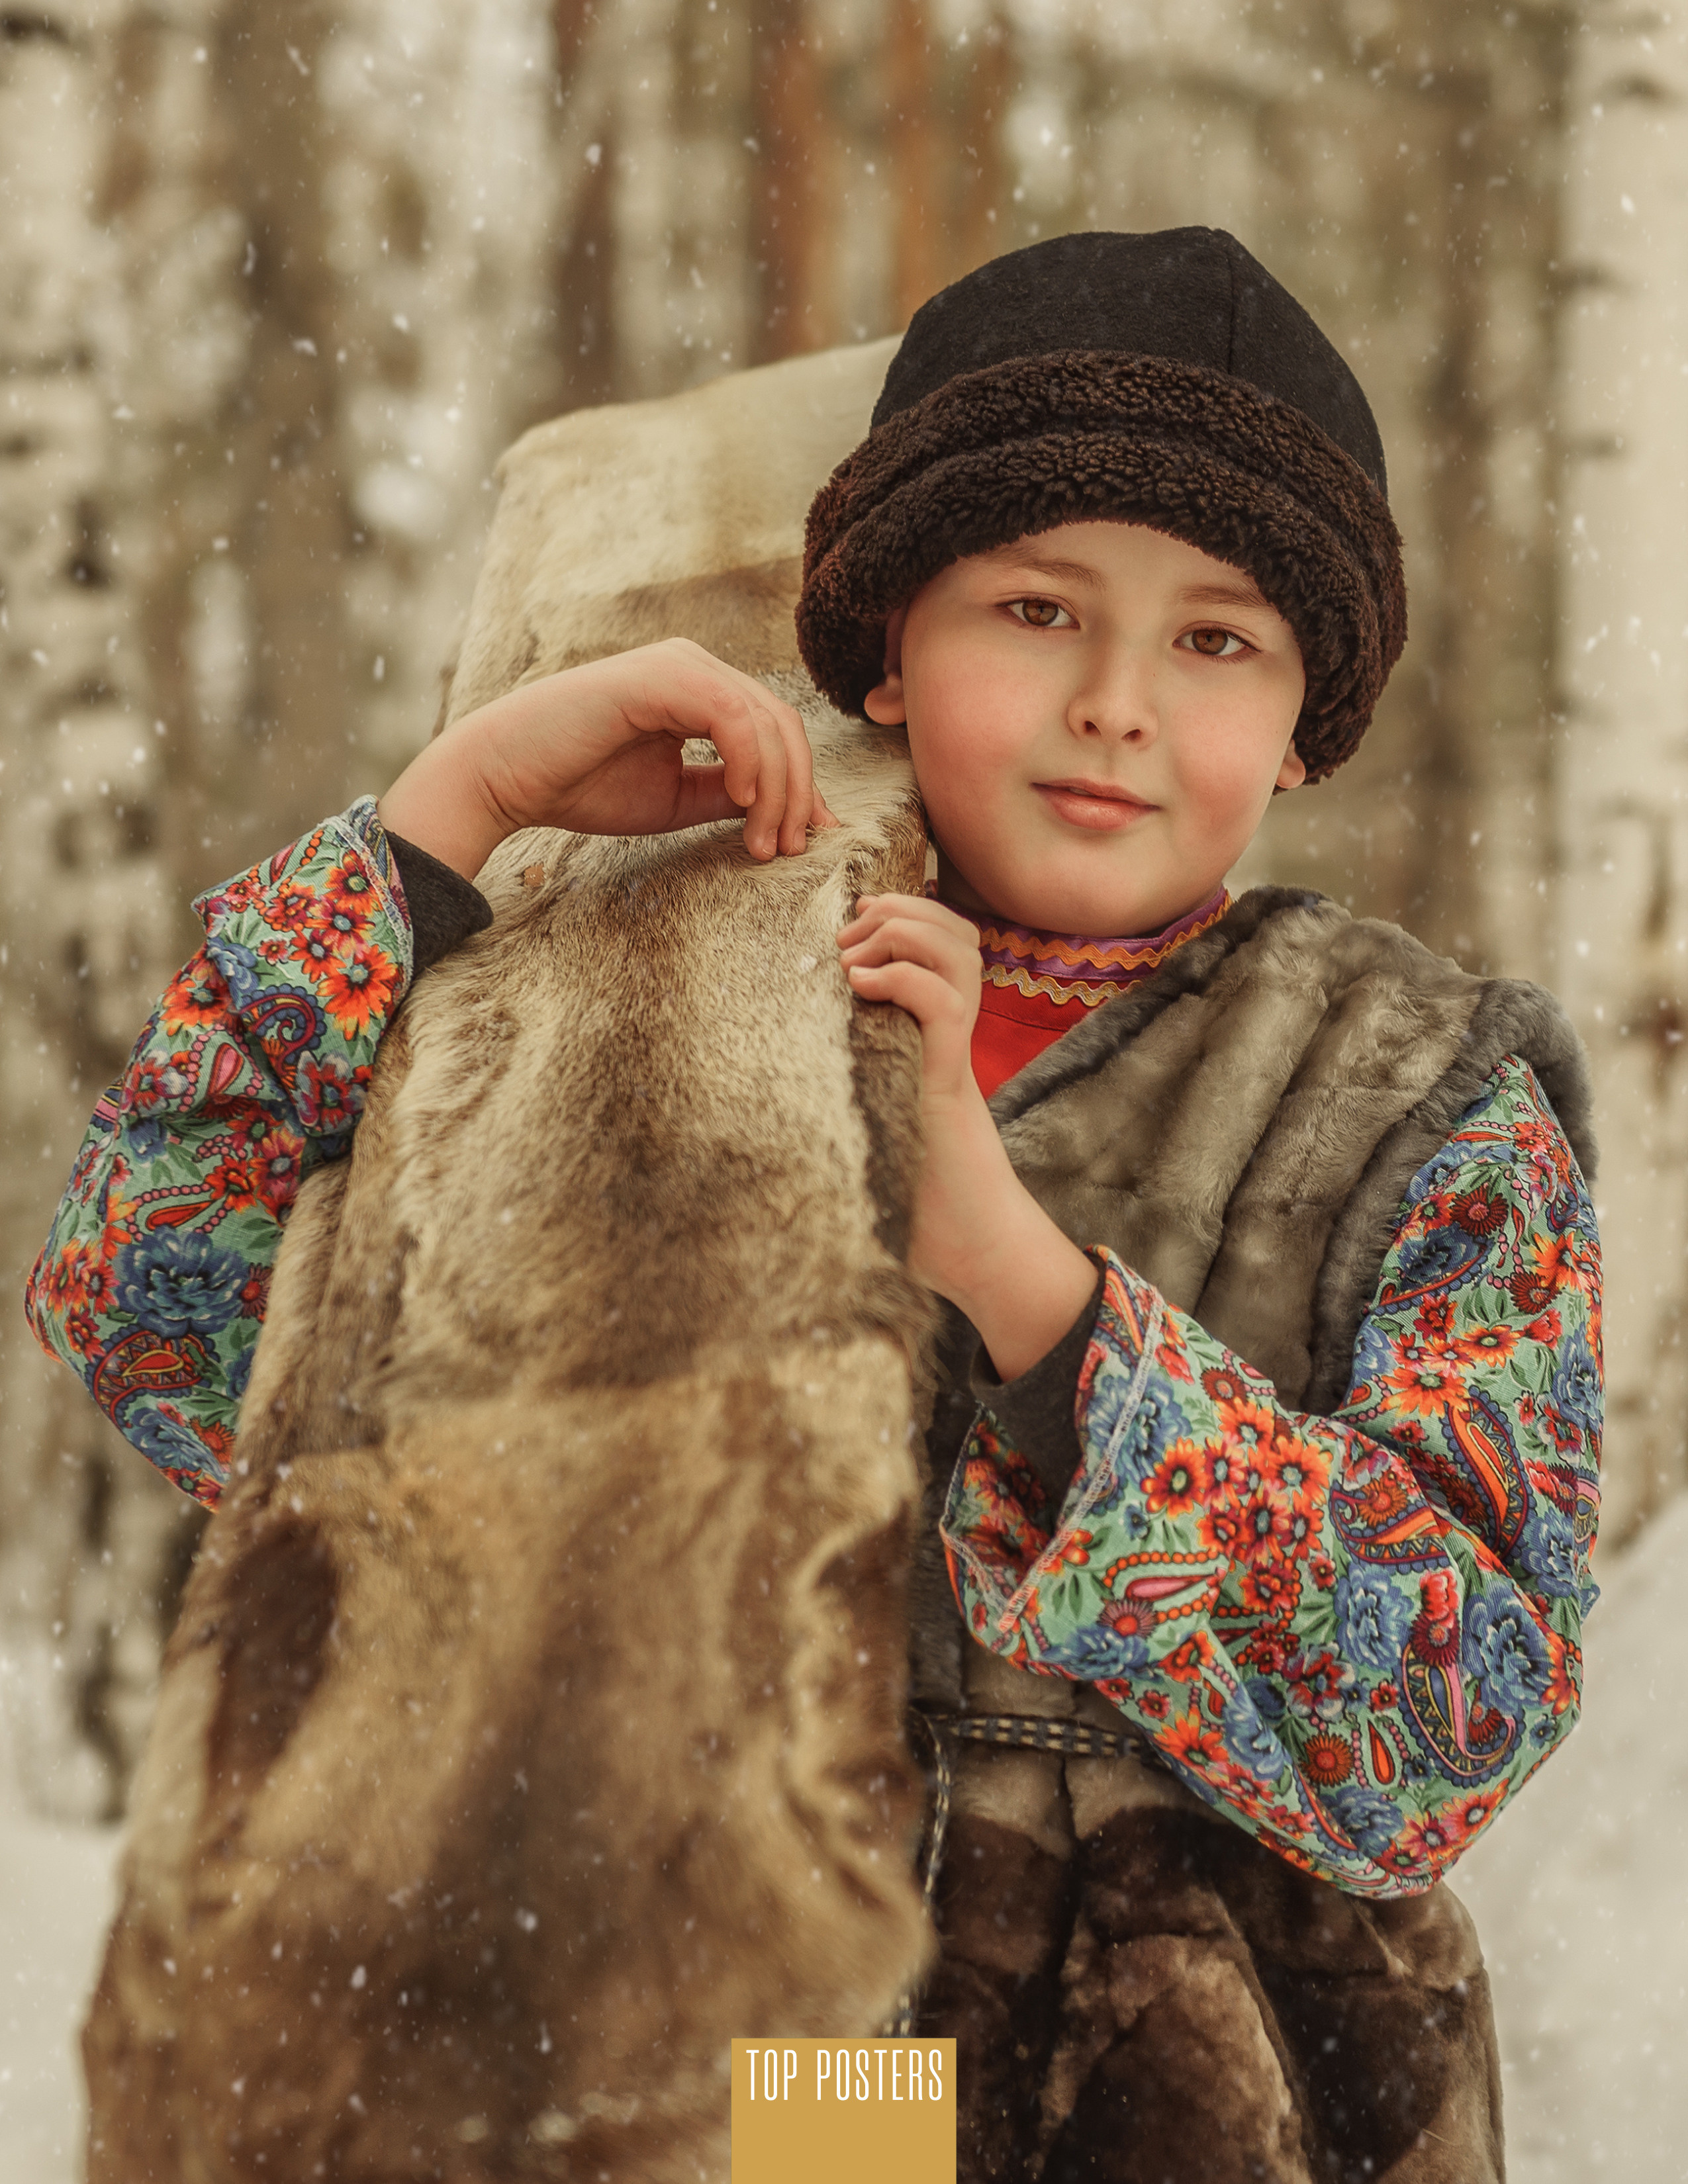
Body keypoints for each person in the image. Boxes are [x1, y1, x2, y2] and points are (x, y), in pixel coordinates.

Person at [26, 229, 1599, 2180]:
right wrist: (447, 822)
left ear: (1304, 717)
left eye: (1218, 637)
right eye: (1036, 607)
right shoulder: (646, 995)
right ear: (882, 644)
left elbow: (1454, 1720)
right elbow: (150, 1307)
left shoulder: (1412, 1097)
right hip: (796, 2105)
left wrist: (1019, 1284)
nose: (1117, 699)